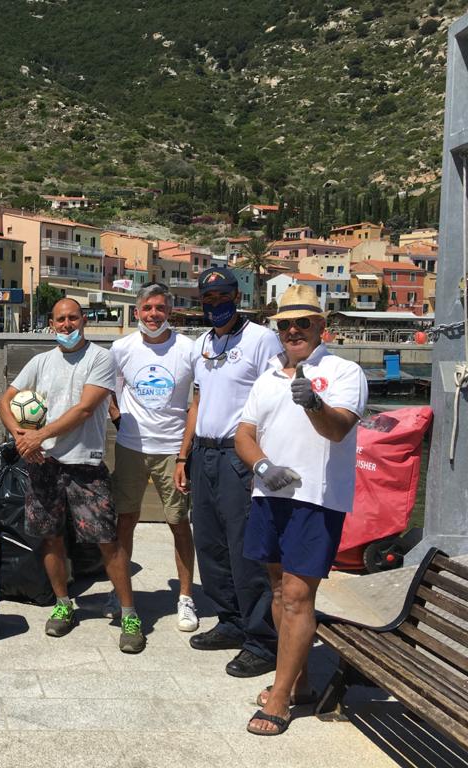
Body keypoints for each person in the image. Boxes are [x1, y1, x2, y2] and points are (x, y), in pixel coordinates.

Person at [236, 286, 366, 735]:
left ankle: (278, 695)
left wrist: (312, 401)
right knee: (277, 592)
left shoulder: (344, 371)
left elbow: (339, 429)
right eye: (285, 324)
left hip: (317, 498)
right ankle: (300, 682)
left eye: (303, 323)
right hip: (270, 494)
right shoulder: (267, 375)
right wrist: (263, 466)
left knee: (296, 596)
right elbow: (245, 433)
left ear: (320, 326)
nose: (293, 330)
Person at [0, 298, 142, 653]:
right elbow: (6, 401)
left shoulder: (100, 358)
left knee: (107, 541)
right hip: (43, 465)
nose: (67, 325)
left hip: (85, 465)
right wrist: (20, 436)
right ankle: (64, 605)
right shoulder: (40, 361)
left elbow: (84, 409)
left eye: (73, 318)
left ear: (84, 320)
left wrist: (39, 435)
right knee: (51, 539)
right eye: (60, 319)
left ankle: (129, 614)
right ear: (52, 324)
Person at [174, 266, 283, 677]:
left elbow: (273, 402)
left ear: (237, 296)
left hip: (240, 457)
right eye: (209, 299)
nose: (216, 304)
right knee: (211, 543)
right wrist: (184, 456)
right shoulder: (202, 345)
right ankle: (230, 621)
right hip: (204, 454)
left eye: (223, 297)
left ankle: (262, 640)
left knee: (245, 549)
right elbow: (197, 404)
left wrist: (260, 461)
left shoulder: (261, 340)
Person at [107, 282, 199, 635]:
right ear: (136, 312)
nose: (153, 314)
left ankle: (186, 596)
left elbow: (197, 403)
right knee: (125, 521)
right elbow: (110, 393)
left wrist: (183, 454)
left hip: (172, 451)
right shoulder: (121, 348)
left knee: (178, 523)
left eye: (159, 308)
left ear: (169, 311)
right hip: (131, 448)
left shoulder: (188, 350)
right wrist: (121, 423)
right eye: (147, 308)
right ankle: (120, 591)